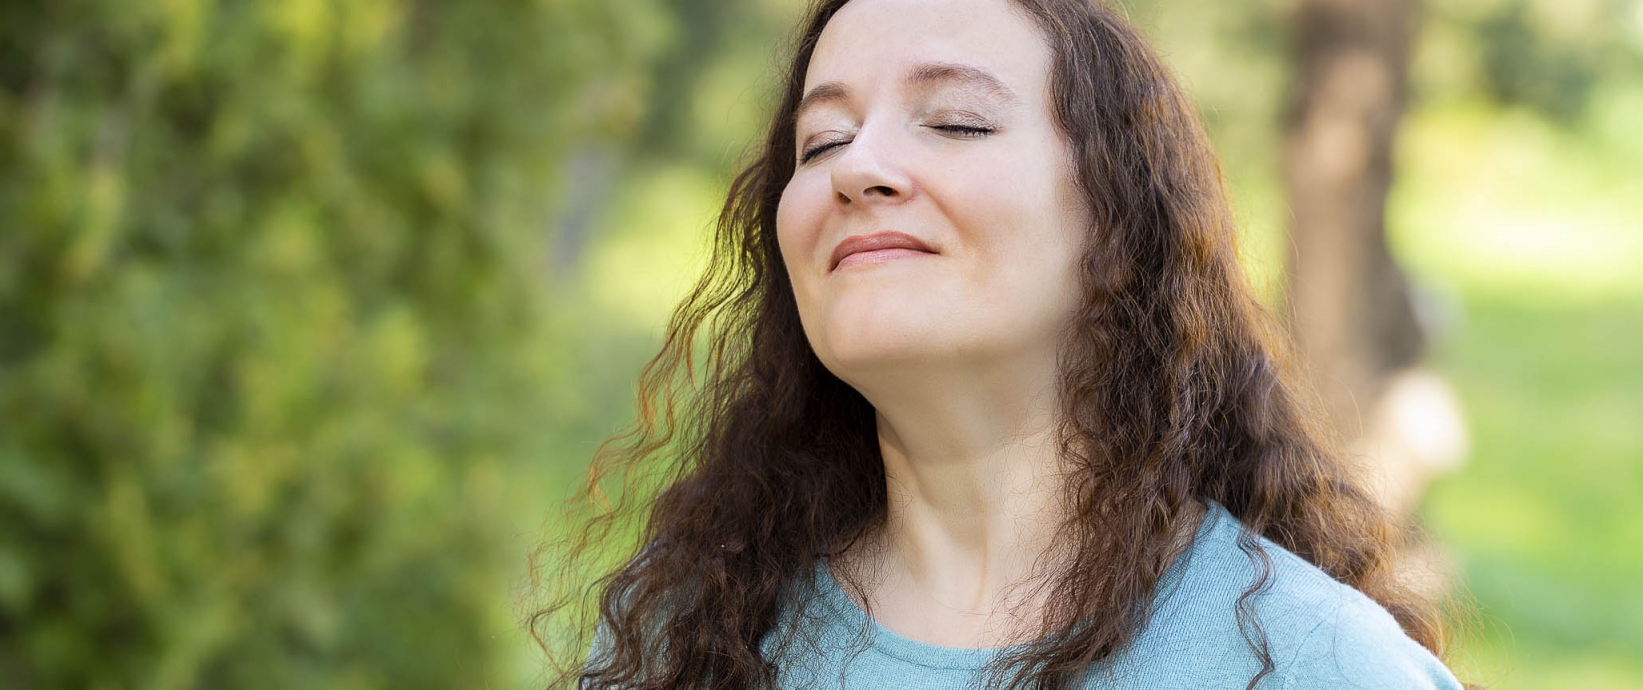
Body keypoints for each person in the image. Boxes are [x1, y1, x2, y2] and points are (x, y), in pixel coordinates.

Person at [544, 0, 1469, 687]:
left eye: (954, 121)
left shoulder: (1320, 667)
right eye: (821, 142)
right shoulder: (683, 635)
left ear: (1118, 216)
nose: (858, 165)